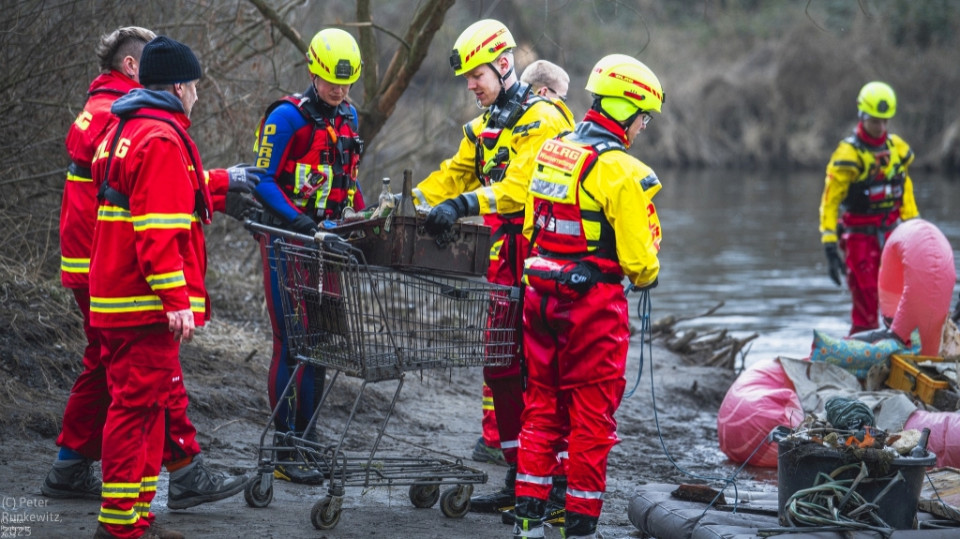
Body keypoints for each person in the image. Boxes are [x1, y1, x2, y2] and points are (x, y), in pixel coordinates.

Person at [44, 27, 250, 514]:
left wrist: (218, 186)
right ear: (177, 87)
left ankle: (129, 501)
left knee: (136, 393)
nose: (198, 94)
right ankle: (124, 516)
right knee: (136, 401)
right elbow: (157, 225)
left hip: (113, 282)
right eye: (196, 85)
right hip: (133, 292)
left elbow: (138, 187)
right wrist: (177, 301)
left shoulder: (120, 122)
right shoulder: (154, 133)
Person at [409, 19, 574, 515]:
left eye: (476, 75)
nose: (471, 86)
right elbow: (452, 175)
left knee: (542, 375)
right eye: (466, 79)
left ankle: (557, 484)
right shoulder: (484, 126)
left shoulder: (543, 118)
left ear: (504, 66)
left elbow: (521, 187)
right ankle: (520, 477)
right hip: (505, 264)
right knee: (501, 366)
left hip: (543, 260)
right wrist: (402, 208)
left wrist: (460, 206)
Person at [512, 54, 664, 539]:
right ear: (626, 111)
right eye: (642, 119)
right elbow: (641, 265)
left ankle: (528, 524)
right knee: (591, 422)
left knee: (540, 410)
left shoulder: (552, 150)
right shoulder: (622, 171)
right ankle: (579, 528)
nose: (641, 128)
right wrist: (646, 272)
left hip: (540, 297)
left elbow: (536, 223)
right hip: (592, 310)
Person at [252, 28, 365, 484]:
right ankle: (284, 448)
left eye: (346, 85)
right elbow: (261, 178)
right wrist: (299, 222)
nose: (339, 93)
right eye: (331, 83)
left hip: (330, 245)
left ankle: (308, 439)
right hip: (287, 242)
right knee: (292, 343)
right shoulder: (286, 118)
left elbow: (348, 175)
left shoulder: (350, 117)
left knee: (320, 344)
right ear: (313, 72)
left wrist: (356, 214)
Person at [471, 59, 577, 471]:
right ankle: (515, 450)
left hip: (520, 259)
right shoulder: (535, 128)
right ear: (545, 92)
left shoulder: (538, 128)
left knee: (510, 359)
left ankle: (512, 449)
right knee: (516, 361)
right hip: (519, 258)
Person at [819, 81, 918, 335]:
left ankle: (899, 352)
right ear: (863, 116)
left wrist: (915, 227)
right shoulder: (848, 156)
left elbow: (904, 189)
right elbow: (830, 201)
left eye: (886, 121)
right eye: (876, 121)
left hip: (894, 236)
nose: (881, 127)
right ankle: (861, 355)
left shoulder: (897, 149)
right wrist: (830, 243)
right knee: (866, 302)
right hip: (860, 239)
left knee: (899, 301)